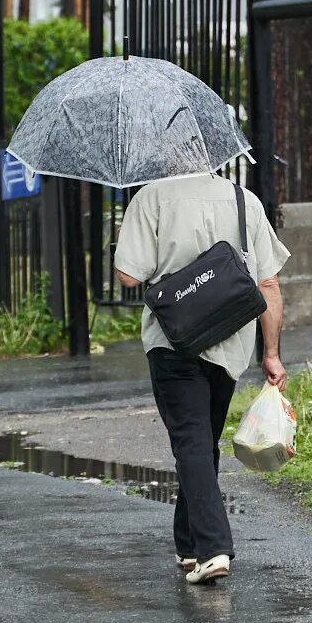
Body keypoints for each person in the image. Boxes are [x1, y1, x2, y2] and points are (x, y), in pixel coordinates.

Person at [113, 173, 290, 585]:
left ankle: (213, 549)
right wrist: (271, 353)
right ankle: (188, 543)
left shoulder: (150, 198)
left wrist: (130, 237)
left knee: (191, 439)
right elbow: (268, 283)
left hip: (172, 338)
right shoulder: (244, 200)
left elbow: (128, 277)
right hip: (231, 338)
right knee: (201, 439)